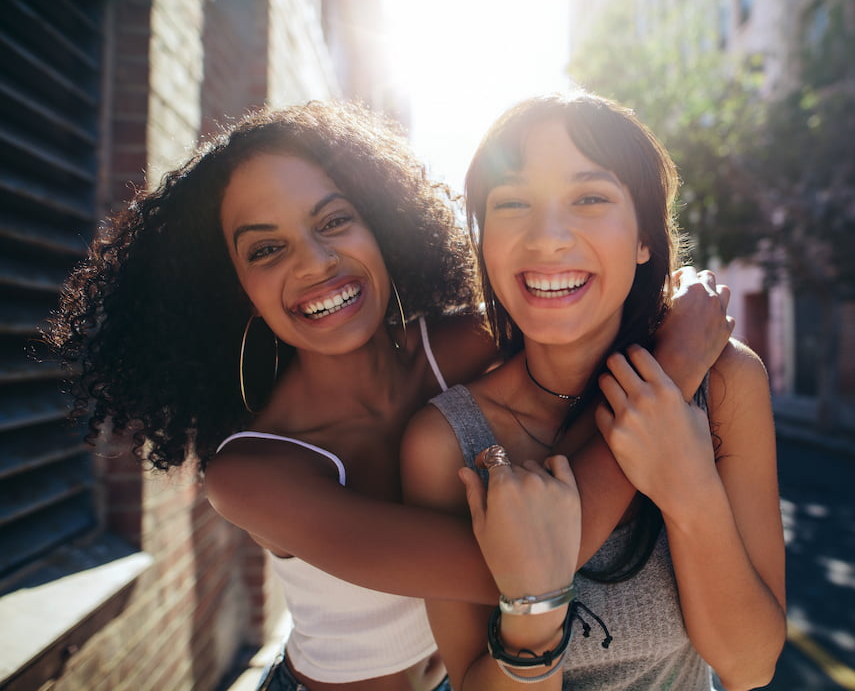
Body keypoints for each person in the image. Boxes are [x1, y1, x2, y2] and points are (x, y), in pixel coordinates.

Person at [43, 101, 733, 691]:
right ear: (234, 290)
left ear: (379, 224)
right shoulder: (253, 474)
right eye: (265, 250)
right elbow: (526, 565)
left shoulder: (465, 347)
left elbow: (582, 323)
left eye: (335, 221)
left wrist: (668, 303)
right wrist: (668, 370)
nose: (316, 264)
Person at [401, 91, 787, 691]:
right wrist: (534, 607)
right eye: (513, 203)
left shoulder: (725, 381)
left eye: (590, 197)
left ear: (645, 240)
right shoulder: (445, 442)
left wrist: (688, 487)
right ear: (484, 243)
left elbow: (749, 664)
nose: (548, 237)